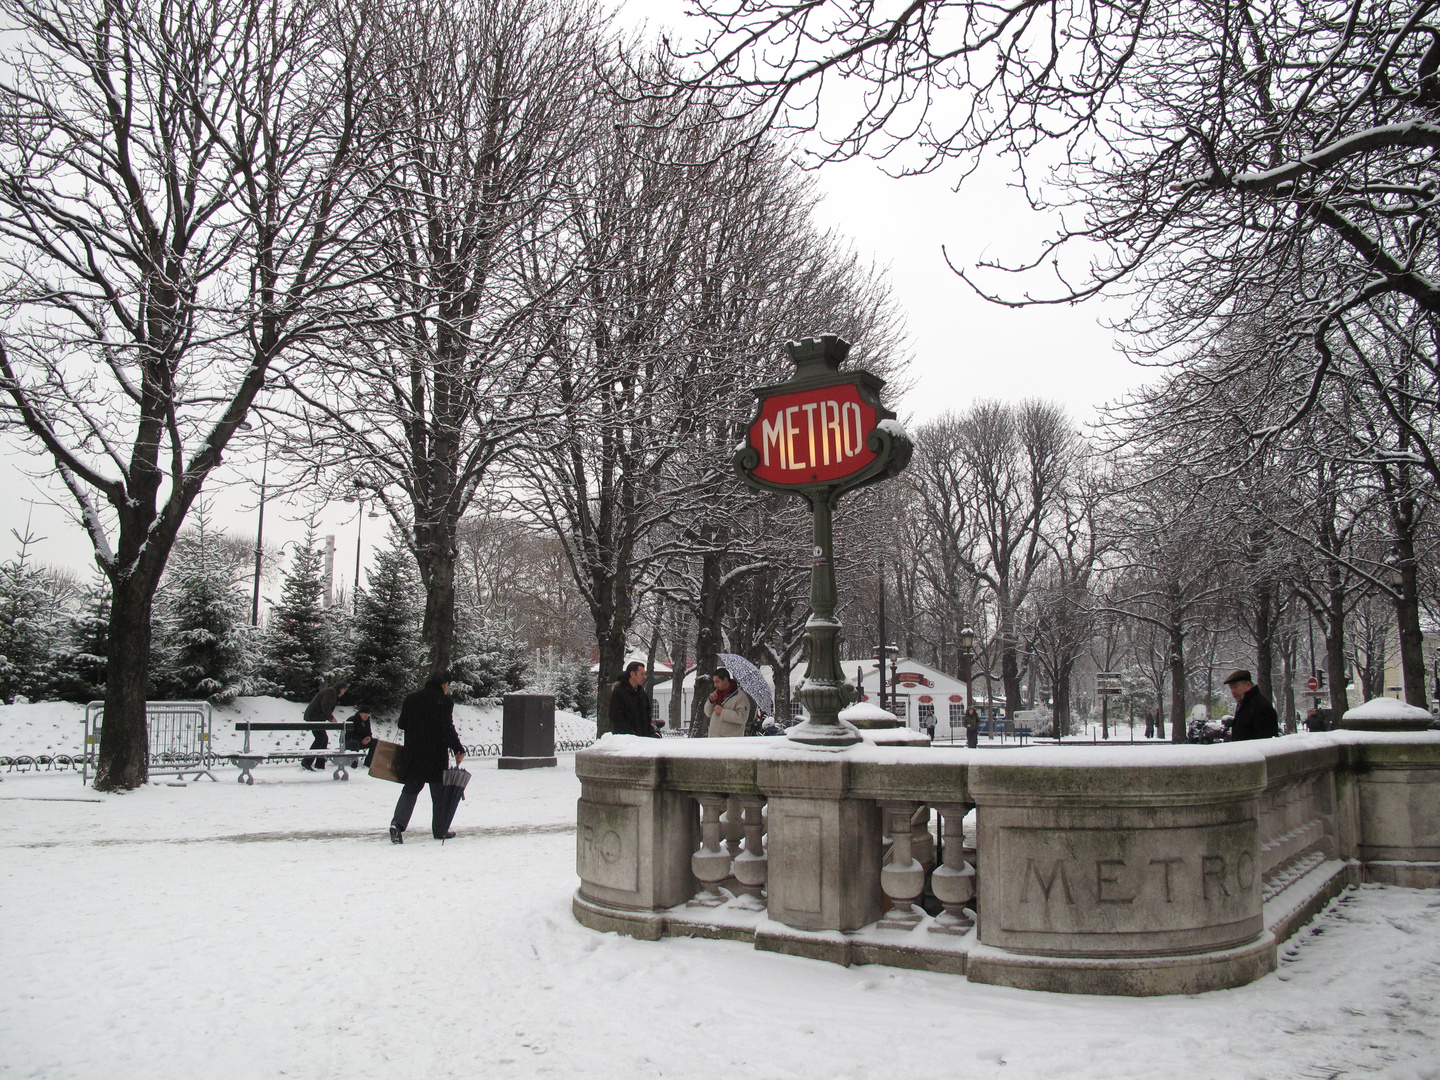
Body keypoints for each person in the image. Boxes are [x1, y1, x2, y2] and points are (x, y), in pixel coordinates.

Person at [389, 670, 466, 843]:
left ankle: (397, 824)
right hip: (435, 756)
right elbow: (447, 728)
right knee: (439, 795)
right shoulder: (444, 702)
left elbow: (402, 724)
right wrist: (457, 748)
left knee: (410, 790)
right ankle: (440, 830)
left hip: (414, 754)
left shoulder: (411, 699)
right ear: (444, 684)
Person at [301, 680, 346, 771]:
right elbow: (325, 705)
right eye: (344, 691)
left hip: (316, 717)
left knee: (324, 739)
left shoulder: (331, 691)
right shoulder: (331, 691)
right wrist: (331, 718)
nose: (344, 693)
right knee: (321, 738)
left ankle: (320, 764)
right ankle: (307, 761)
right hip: (314, 717)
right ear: (341, 689)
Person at [1225, 669, 1280, 741]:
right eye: (1231, 688)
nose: (1232, 692)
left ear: (1248, 685)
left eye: (1235, 687)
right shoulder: (1245, 704)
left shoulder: (1261, 707)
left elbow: (1266, 742)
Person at [609, 661, 659, 738]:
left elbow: (647, 717)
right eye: (641, 674)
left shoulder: (642, 694)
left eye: (644, 674)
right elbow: (616, 718)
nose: (644, 677)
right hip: (626, 741)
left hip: (642, 741)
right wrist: (631, 735)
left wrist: (651, 733)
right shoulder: (619, 693)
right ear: (632, 674)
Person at [704, 666, 752, 737]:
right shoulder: (716, 695)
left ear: (725, 680)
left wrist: (722, 712)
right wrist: (711, 701)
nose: (715, 685)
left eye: (717, 682)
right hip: (714, 740)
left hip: (730, 742)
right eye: (714, 682)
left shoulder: (740, 697)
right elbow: (708, 713)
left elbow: (742, 718)